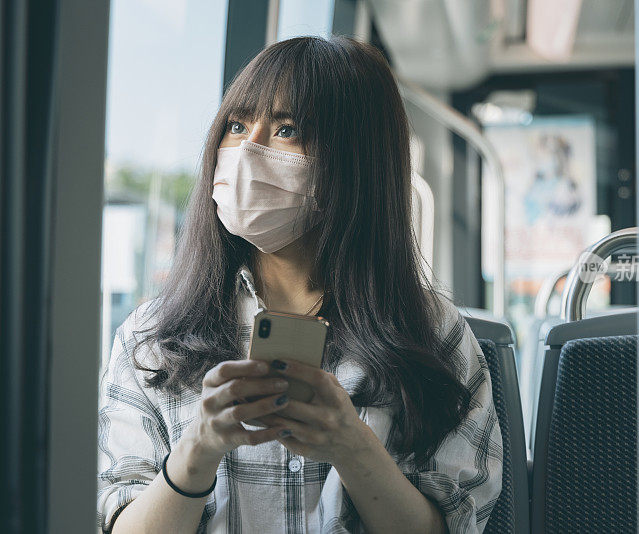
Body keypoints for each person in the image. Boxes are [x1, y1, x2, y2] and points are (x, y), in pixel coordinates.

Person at [97, 36, 503, 534]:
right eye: (237, 124)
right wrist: (197, 451)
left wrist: (350, 445)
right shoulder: (151, 337)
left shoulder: (434, 334)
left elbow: (454, 525)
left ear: (357, 160)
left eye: (286, 129)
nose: (248, 147)